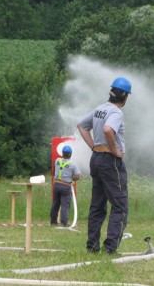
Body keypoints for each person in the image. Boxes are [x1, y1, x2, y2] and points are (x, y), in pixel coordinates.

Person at [77, 77, 132, 255]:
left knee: (97, 206)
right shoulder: (116, 113)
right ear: (124, 97)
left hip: (97, 158)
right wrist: (114, 149)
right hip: (110, 162)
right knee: (120, 206)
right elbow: (109, 130)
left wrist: (94, 146)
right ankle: (110, 249)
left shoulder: (99, 109)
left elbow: (81, 126)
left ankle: (92, 247)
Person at [50, 145, 81, 227]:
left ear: (62, 153)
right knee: (65, 205)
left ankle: (53, 222)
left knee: (55, 204)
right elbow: (78, 176)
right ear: (70, 154)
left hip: (56, 185)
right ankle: (64, 223)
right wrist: (72, 178)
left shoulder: (57, 161)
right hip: (66, 186)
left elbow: (54, 168)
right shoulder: (73, 165)